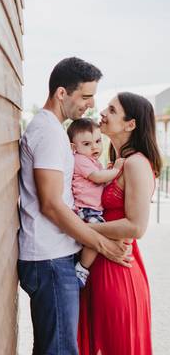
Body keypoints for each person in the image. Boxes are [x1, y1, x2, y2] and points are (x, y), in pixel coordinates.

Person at [18, 57, 131, 355]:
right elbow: (51, 205)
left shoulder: (53, 130)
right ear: (61, 93)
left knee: (52, 347)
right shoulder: (48, 133)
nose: (91, 105)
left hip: (54, 257)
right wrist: (101, 244)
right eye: (85, 96)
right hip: (50, 259)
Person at [78, 92, 161, 355]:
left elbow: (136, 227)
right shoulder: (113, 163)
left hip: (118, 272)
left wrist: (83, 229)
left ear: (130, 124)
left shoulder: (136, 164)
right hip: (100, 263)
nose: (103, 112)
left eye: (112, 110)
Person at [66, 118, 125, 287]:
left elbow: (101, 181)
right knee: (95, 239)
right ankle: (82, 268)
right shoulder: (80, 159)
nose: (95, 147)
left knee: (98, 236)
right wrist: (116, 170)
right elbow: (97, 178)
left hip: (92, 209)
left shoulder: (93, 161)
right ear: (74, 147)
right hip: (86, 209)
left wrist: (108, 171)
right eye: (87, 144)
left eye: (98, 141)